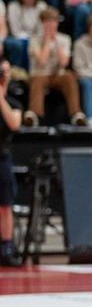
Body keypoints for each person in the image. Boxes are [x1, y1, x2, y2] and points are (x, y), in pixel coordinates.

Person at [25, 8, 86, 128]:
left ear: (57, 23)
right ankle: (34, 115)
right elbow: (42, 61)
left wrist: (56, 43)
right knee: (38, 79)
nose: (50, 25)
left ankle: (76, 114)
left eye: (53, 21)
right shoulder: (34, 40)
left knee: (69, 76)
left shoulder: (65, 39)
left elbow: (64, 63)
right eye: (47, 22)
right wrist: (47, 41)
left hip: (57, 75)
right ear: (42, 23)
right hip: (40, 74)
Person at [0, 60, 21, 266]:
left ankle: (6, 247)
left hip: (2, 158)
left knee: (5, 205)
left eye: (5, 72)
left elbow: (14, 124)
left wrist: (0, 99)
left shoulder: (14, 103)